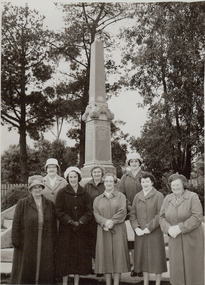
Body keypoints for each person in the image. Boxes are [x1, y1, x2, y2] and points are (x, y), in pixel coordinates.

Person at [10, 175, 57, 285]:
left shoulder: (49, 204)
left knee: (44, 268)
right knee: (27, 270)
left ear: (42, 188)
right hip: (27, 241)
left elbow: (53, 225)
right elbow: (16, 223)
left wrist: (54, 241)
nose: (37, 189)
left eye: (39, 187)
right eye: (34, 187)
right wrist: (16, 241)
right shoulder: (22, 203)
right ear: (30, 189)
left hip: (45, 241)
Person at [159, 173, 204, 285]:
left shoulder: (193, 197)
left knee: (193, 268)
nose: (175, 187)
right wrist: (168, 229)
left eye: (178, 185)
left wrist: (180, 228)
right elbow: (161, 217)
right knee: (177, 268)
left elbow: (197, 217)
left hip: (192, 239)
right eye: (173, 185)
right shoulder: (168, 199)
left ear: (183, 185)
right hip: (175, 239)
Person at [55, 166, 93, 285]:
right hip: (66, 231)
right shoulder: (61, 193)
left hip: (81, 231)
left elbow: (89, 211)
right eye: (70, 177)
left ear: (78, 178)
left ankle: (76, 283)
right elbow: (58, 210)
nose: (73, 179)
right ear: (67, 178)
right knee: (65, 259)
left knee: (78, 259)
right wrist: (70, 221)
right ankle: (65, 283)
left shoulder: (85, 193)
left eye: (75, 177)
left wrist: (81, 221)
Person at [130, 172, 167, 285]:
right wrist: (136, 228)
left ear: (151, 182)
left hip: (154, 233)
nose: (145, 183)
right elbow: (132, 214)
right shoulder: (137, 196)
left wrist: (149, 228)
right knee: (143, 260)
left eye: (147, 181)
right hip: (140, 233)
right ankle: (145, 283)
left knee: (157, 259)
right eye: (143, 181)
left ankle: (157, 283)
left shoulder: (159, 195)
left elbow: (160, 214)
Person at [93, 173, 131, 285]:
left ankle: (116, 283)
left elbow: (123, 211)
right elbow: (95, 213)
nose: (108, 183)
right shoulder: (98, 199)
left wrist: (112, 222)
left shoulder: (121, 196)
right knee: (105, 256)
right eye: (106, 181)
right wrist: (105, 222)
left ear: (114, 183)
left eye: (111, 181)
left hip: (118, 229)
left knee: (118, 256)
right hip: (103, 230)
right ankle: (108, 282)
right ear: (103, 183)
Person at [119, 152, 144, 277]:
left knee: (143, 239)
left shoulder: (145, 175)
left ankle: (142, 266)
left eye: (136, 161)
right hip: (129, 213)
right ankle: (135, 266)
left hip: (144, 211)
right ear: (129, 163)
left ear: (140, 162)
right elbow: (122, 194)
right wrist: (129, 206)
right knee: (133, 241)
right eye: (132, 161)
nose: (134, 163)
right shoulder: (124, 177)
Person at [84, 165, 105, 274]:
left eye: (99, 172)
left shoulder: (106, 184)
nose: (97, 174)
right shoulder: (87, 186)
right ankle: (93, 266)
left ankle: (102, 266)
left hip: (103, 218)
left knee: (102, 242)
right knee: (92, 242)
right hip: (91, 219)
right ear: (91, 174)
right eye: (95, 172)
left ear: (102, 174)